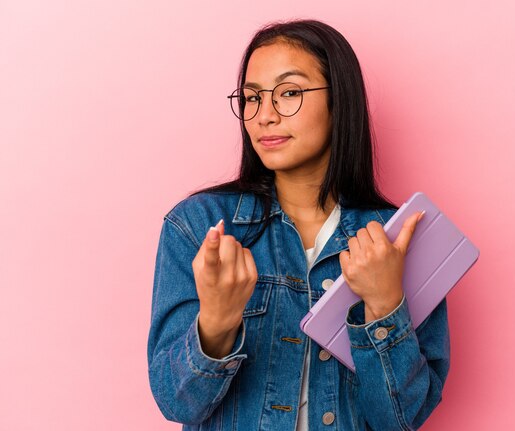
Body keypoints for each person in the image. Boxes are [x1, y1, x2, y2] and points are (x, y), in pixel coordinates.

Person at [147, 19, 450, 431]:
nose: (264, 116)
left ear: (339, 101)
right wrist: (216, 322)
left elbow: (400, 420)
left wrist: (384, 305)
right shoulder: (199, 227)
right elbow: (175, 401)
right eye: (252, 98)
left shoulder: (397, 238)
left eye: (289, 93)